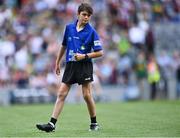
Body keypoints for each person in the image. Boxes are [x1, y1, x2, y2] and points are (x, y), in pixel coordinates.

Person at [36, 3, 103, 132]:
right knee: (61, 93)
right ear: (78, 14)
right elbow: (63, 45)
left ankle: (94, 123)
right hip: (70, 65)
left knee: (86, 95)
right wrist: (57, 61)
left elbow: (100, 52)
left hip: (84, 65)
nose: (86, 17)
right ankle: (51, 124)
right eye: (84, 14)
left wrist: (84, 56)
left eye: (89, 15)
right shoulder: (69, 28)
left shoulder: (92, 32)